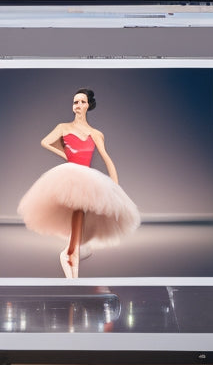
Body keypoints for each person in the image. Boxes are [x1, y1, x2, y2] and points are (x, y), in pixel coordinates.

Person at [18, 88, 140, 278]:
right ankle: (71, 253)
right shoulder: (63, 127)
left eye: (82, 102)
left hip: (87, 175)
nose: (78, 105)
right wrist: (65, 154)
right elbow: (45, 142)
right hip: (72, 173)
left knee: (84, 211)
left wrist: (115, 188)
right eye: (75, 102)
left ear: (88, 105)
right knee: (78, 204)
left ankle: (75, 250)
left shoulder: (95, 133)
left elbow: (107, 158)